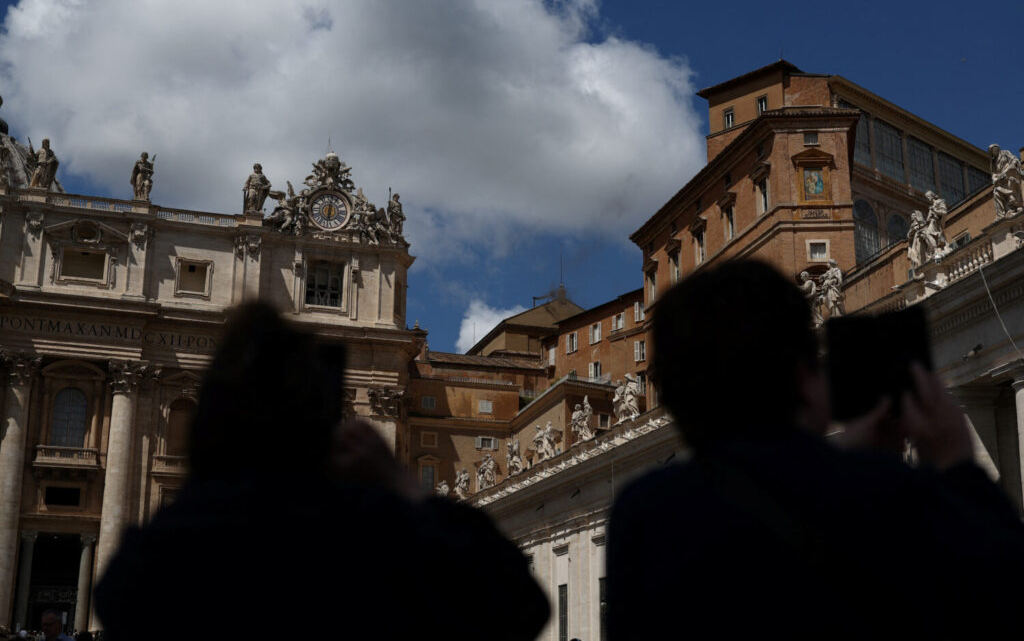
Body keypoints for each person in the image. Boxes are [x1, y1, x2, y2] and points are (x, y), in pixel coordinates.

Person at [606, 260, 1024, 639]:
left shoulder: (643, 512)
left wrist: (850, 462)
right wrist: (957, 464)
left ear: (676, 400)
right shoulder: (886, 494)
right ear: (805, 377)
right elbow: (1003, 596)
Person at [94, 303, 548, 641]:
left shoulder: (150, 560)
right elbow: (517, 602)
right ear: (322, 426)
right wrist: (402, 484)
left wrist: (211, 475)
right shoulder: (366, 542)